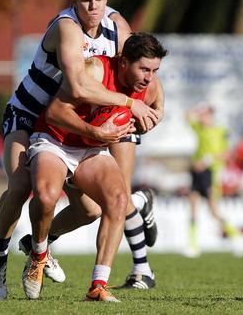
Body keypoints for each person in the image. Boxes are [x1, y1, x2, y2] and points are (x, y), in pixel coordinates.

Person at [0, 0, 163, 300]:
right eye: (85, 0)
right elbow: (78, 87)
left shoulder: (116, 25)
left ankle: (43, 245)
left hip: (73, 129)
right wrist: (129, 104)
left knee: (91, 209)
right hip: (31, 113)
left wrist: (157, 106)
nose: (93, 8)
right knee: (21, 186)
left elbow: (146, 63)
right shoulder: (67, 27)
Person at [23, 32, 167, 301]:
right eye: (144, 69)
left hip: (91, 149)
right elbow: (54, 112)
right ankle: (38, 255)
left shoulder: (149, 84)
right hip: (56, 140)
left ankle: (98, 286)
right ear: (123, 63)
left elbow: (157, 108)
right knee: (45, 197)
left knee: (118, 198)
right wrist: (98, 131)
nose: (150, 77)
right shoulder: (96, 69)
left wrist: (149, 121)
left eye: (155, 70)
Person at [185, 103, 243, 258]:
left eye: (206, 115)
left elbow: (228, 153)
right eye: (202, 115)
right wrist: (200, 107)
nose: (202, 117)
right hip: (197, 172)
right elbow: (187, 115)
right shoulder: (199, 128)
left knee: (213, 210)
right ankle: (193, 245)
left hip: (211, 172)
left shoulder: (220, 131)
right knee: (193, 206)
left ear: (211, 116)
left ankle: (236, 234)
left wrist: (208, 160)